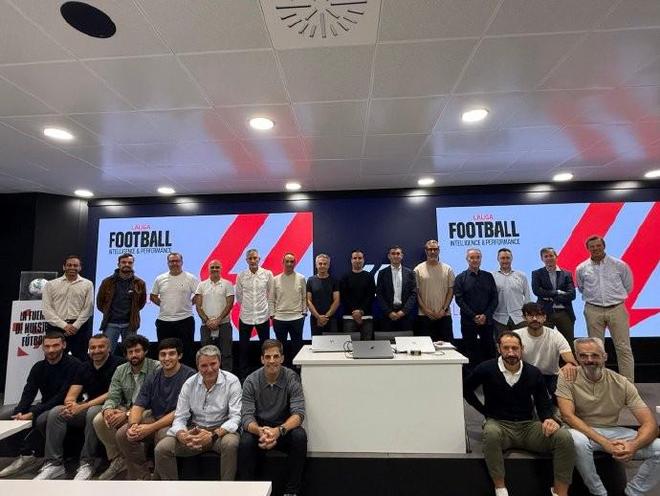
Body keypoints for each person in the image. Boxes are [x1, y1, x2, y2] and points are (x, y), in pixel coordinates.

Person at [463, 332, 575, 496]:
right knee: (491, 432)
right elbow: (466, 390)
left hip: (527, 426)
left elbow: (542, 402)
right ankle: (500, 488)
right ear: (499, 348)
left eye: (515, 348)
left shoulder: (533, 372)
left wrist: (548, 419)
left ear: (522, 349)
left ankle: (560, 492)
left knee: (563, 437)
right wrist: (484, 411)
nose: (511, 352)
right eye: (506, 348)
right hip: (499, 424)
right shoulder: (485, 369)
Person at [557, 337, 660, 496]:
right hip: (579, 431)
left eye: (595, 355)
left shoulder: (621, 382)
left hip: (611, 431)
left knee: (659, 447)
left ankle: (632, 493)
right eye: (583, 356)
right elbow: (568, 416)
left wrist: (633, 445)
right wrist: (605, 443)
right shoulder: (567, 377)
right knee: (577, 440)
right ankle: (598, 492)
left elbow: (650, 424)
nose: (589, 360)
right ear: (577, 357)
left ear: (605, 357)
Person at [35, 333, 124, 480]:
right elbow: (72, 394)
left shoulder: (119, 364)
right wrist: (71, 405)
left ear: (109, 348)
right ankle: (54, 463)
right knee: (57, 412)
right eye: (93, 348)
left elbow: (112, 393)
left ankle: (87, 463)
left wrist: (82, 406)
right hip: (87, 406)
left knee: (93, 412)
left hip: (112, 406)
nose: (96, 351)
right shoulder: (84, 366)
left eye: (101, 347)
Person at [0, 332, 80, 478]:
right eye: (47, 346)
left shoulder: (74, 365)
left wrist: (33, 413)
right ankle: (26, 455)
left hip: (65, 405)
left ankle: (52, 461)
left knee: (41, 418)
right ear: (43, 347)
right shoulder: (38, 367)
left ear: (63, 345)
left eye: (55, 345)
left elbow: (61, 396)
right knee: (7, 416)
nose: (51, 350)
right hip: (45, 404)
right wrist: (19, 411)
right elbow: (28, 392)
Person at [156, 345, 242, 480]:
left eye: (213, 364)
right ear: (197, 366)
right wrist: (181, 434)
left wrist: (213, 435)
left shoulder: (232, 381)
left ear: (219, 362)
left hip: (221, 432)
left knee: (231, 444)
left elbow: (235, 417)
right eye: (204, 366)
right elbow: (180, 417)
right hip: (195, 431)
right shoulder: (189, 383)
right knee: (162, 449)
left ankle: (227, 488)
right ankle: (172, 489)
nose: (209, 369)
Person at [115, 338, 195, 480]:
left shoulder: (190, 376)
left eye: (171, 354)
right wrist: (133, 425)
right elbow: (139, 405)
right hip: (156, 418)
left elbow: (180, 412)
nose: (167, 358)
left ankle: (160, 481)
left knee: (162, 434)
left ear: (180, 355)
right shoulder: (153, 376)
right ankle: (141, 477)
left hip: (181, 422)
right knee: (123, 433)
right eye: (163, 354)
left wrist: (150, 428)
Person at [238, 339, 307, 496]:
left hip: (283, 428)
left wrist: (279, 431)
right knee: (245, 441)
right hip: (260, 429)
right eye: (268, 357)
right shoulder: (251, 381)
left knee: (300, 436)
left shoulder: (291, 378)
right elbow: (246, 416)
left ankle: (291, 491)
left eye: (276, 356)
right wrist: (259, 431)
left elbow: (298, 414)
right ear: (262, 359)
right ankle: (248, 491)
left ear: (282, 358)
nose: (272, 361)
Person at [92, 334, 159, 480]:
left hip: (149, 410)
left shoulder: (156, 367)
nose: (134, 355)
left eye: (137, 351)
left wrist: (128, 414)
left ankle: (137, 464)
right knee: (100, 419)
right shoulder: (120, 370)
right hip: (127, 407)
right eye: (130, 352)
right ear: (126, 354)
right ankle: (119, 459)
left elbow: (155, 401)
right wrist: (108, 409)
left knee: (128, 425)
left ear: (145, 351)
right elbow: (113, 396)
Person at [576, 235, 635, 382]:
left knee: (623, 348)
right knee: (595, 350)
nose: (595, 248)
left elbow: (628, 286)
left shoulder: (619, 265)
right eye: (592, 247)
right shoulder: (582, 268)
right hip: (593, 310)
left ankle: (627, 384)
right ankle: (599, 383)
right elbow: (581, 287)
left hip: (616, 308)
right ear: (588, 249)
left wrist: (615, 299)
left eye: (598, 245)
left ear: (604, 246)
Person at [513, 303, 578, 395]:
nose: (535, 319)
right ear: (524, 317)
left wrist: (570, 364)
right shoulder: (516, 336)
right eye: (530, 315)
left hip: (551, 376)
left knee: (568, 377)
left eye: (538, 315)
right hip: (525, 375)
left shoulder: (555, 335)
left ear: (544, 317)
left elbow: (570, 359)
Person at [150, 252, 200, 367]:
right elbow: (153, 296)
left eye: (177, 261)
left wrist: (189, 304)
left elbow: (199, 294)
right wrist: (164, 305)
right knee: (164, 352)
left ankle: (187, 375)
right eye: (171, 261)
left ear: (182, 262)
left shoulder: (190, 278)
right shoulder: (160, 278)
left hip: (185, 320)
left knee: (187, 352)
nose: (174, 263)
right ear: (168, 263)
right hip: (164, 321)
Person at [42, 254, 94, 361]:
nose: (72, 267)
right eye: (69, 265)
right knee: (53, 358)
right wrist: (65, 326)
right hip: (56, 328)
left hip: (79, 328)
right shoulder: (51, 285)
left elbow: (88, 308)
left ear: (80, 268)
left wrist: (75, 326)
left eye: (75, 265)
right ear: (64, 267)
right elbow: (47, 309)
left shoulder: (88, 284)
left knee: (81, 360)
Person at [453, 248, 498, 367]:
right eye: (472, 257)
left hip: (487, 321)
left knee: (489, 351)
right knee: (470, 352)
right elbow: (459, 300)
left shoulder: (488, 276)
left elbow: (494, 298)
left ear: (481, 259)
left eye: (478, 257)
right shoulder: (460, 278)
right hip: (468, 321)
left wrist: (485, 315)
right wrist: (473, 316)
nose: (475, 260)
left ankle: (489, 376)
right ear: (467, 259)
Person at [96, 253, 147, 352]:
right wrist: (108, 313)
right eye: (124, 262)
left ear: (133, 264)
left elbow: (141, 303)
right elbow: (100, 302)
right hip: (111, 324)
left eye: (130, 262)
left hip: (130, 325)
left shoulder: (140, 283)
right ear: (118, 264)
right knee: (107, 352)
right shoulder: (107, 282)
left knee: (131, 353)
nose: (127, 264)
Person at [235, 248, 274, 379]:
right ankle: (243, 377)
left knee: (265, 348)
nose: (253, 260)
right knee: (243, 349)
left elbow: (270, 294)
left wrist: (269, 312)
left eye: (255, 258)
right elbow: (239, 296)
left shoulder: (267, 274)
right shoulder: (241, 276)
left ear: (259, 259)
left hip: (263, 316)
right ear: (246, 260)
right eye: (250, 258)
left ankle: (266, 374)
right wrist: (248, 307)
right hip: (246, 316)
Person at [195, 259, 235, 372]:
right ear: (208, 269)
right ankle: (206, 376)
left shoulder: (227, 284)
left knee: (226, 354)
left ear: (220, 269)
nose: (214, 269)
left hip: (224, 325)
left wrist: (218, 320)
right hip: (206, 325)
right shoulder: (201, 285)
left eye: (217, 267)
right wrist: (207, 321)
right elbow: (198, 306)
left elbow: (230, 304)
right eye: (212, 267)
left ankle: (227, 378)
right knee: (205, 355)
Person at [531, 247, 576, 345]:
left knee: (568, 343)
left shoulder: (566, 274)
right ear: (542, 259)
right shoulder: (537, 273)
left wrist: (549, 296)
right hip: (544, 313)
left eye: (551, 255)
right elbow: (537, 291)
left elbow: (572, 294)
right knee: (544, 344)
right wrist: (557, 292)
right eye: (546, 256)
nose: (549, 258)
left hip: (564, 313)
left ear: (556, 257)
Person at [414, 239, 455, 342]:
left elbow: (451, 291)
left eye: (435, 249)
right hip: (424, 316)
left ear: (439, 250)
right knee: (425, 348)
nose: (432, 252)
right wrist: (425, 310)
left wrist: (444, 309)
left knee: (447, 348)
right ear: (426, 251)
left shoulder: (448, 269)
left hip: (444, 315)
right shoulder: (418, 269)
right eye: (430, 249)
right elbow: (416, 292)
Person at [270, 253, 306, 366]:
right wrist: (272, 314)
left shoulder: (301, 278)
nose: (289, 264)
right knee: (281, 347)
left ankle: (298, 370)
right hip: (279, 318)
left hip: (297, 318)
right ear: (283, 263)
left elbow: (304, 296)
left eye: (292, 261)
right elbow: (271, 298)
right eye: (287, 261)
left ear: (295, 263)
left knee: (297, 346)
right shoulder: (275, 279)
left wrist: (304, 313)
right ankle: (282, 369)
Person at [376, 245, 417, 334]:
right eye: (393, 253)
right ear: (389, 256)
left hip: (405, 315)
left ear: (402, 256)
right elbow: (379, 294)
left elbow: (413, 294)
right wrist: (389, 312)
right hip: (387, 316)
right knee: (387, 340)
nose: (395, 256)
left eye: (398, 253)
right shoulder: (382, 273)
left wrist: (403, 311)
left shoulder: (410, 273)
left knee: (406, 341)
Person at [492, 248, 531, 333]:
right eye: (502, 258)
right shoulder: (492, 276)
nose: (505, 261)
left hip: (519, 318)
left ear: (512, 259)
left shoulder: (521, 276)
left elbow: (527, 297)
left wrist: (527, 315)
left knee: (522, 341)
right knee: (501, 341)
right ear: (498, 259)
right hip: (499, 319)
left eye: (508, 258)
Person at [340, 249, 376, 340]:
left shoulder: (369, 276)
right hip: (349, 317)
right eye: (355, 258)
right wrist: (355, 311)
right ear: (351, 260)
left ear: (363, 260)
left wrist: (361, 311)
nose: (357, 260)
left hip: (366, 317)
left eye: (360, 258)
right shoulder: (345, 277)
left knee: (367, 346)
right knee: (348, 346)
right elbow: (344, 296)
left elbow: (370, 295)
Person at [306, 253, 340, 335]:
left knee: (331, 342)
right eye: (320, 263)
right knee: (316, 342)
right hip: (315, 318)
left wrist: (325, 317)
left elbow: (337, 301)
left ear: (328, 265)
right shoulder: (310, 280)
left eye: (325, 264)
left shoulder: (334, 281)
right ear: (316, 265)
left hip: (330, 318)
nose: (322, 266)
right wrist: (318, 317)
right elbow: (308, 301)